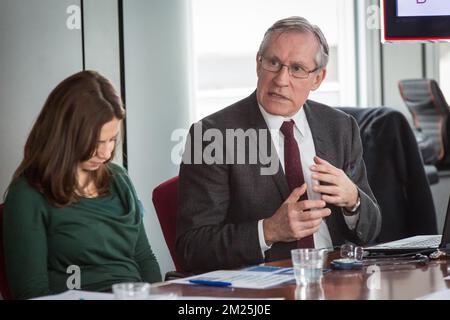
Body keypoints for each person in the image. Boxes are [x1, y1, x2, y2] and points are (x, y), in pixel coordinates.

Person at [176, 16, 381, 272]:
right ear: (258, 63)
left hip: (339, 277)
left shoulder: (340, 127)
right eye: (273, 63)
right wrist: (269, 230)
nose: (281, 79)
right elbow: (192, 248)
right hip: (264, 286)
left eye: (297, 68)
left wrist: (353, 200)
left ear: (317, 79)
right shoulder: (211, 135)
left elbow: (371, 230)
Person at [3, 70, 161, 299]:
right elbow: (31, 293)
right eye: (96, 142)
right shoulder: (28, 195)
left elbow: (145, 258)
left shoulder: (119, 179)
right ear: (66, 136)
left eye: (112, 140)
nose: (106, 153)